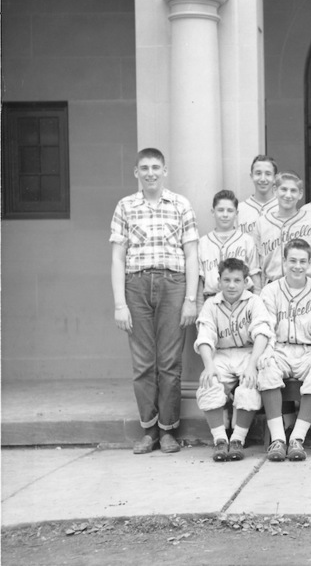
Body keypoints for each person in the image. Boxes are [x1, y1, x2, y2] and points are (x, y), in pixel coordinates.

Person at [110, 147, 199, 454]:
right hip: (136, 285)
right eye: (144, 168)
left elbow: (192, 254)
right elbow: (117, 258)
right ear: (136, 172)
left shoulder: (180, 205)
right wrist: (120, 304)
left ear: (165, 171)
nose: (150, 173)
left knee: (170, 363)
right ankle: (149, 430)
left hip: (173, 284)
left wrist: (191, 299)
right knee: (144, 363)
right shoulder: (125, 206)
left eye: (155, 167)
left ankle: (169, 430)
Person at [258, 239, 311, 462]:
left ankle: (297, 437)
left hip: (307, 349)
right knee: (266, 368)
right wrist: (268, 349)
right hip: (279, 348)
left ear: (310, 264)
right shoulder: (270, 290)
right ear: (284, 262)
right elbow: (266, 324)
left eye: (303, 261)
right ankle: (278, 439)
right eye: (292, 261)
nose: (297, 266)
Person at [195, 258, 268, 462]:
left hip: (248, 352)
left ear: (246, 282)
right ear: (219, 281)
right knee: (209, 383)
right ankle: (220, 440)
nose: (232, 285)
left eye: (237, 280)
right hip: (222, 354)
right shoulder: (212, 304)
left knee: (249, 385)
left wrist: (253, 365)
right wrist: (208, 366)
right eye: (227, 280)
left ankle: (237, 439)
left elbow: (262, 332)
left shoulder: (254, 301)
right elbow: (204, 336)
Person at [197, 190, 261, 311]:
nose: (225, 215)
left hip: (242, 302)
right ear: (213, 212)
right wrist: (200, 308)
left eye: (230, 211)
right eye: (220, 210)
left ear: (236, 213)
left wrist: (256, 306)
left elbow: (255, 277)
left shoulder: (246, 240)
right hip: (211, 301)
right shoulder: (203, 242)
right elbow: (200, 281)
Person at [254, 172, 311, 283]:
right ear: (275, 191)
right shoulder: (262, 222)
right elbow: (257, 262)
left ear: (300, 194)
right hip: (272, 285)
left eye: (293, 190)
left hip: (305, 284)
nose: (288, 195)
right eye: (283, 189)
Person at [238, 155, 278, 237]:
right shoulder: (239, 210)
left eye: (268, 174)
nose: (263, 179)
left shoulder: (284, 208)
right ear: (251, 176)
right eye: (258, 173)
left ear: (275, 178)